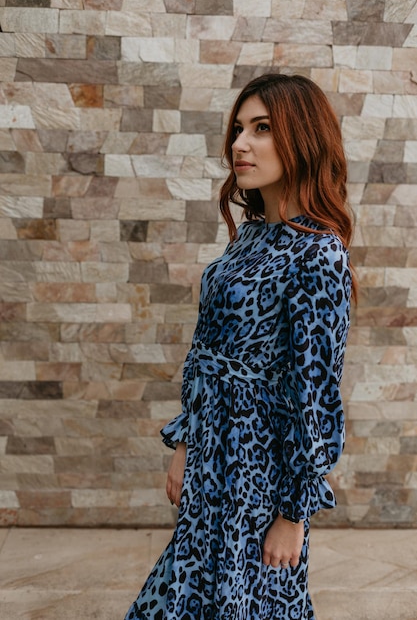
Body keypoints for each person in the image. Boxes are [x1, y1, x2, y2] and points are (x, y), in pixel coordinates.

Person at [124, 73, 356, 620]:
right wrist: (185, 441)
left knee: (248, 602)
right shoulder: (250, 237)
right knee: (191, 592)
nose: (239, 144)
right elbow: (206, 348)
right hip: (212, 453)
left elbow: (316, 395)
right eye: (238, 128)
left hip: (260, 471)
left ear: (303, 138)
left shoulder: (317, 256)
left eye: (262, 129)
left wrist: (294, 515)